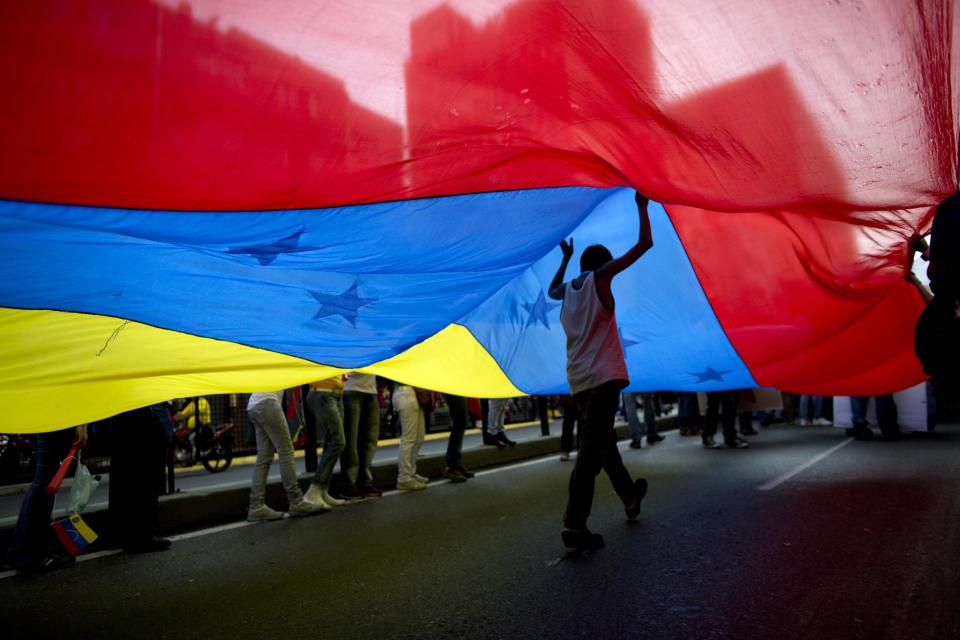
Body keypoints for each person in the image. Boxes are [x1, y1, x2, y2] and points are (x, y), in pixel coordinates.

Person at [547, 190, 653, 551]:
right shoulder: (601, 280)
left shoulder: (569, 290)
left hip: (579, 383)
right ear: (604, 266)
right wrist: (642, 207)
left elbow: (550, 291)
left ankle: (629, 496)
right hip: (604, 380)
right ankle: (574, 525)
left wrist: (565, 258)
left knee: (605, 449)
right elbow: (645, 244)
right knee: (591, 455)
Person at [5, 425, 86, 572]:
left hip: (37, 416)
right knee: (45, 480)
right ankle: (31, 555)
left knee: (42, 480)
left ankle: (21, 551)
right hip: (55, 419)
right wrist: (82, 424)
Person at [246, 390, 326, 521]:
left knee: (264, 458)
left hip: (255, 404)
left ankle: (256, 506)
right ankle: (296, 501)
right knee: (286, 451)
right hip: (268, 402)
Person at [304, 376, 348, 508]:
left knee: (331, 442)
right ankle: (313, 491)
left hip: (336, 393)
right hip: (323, 392)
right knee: (338, 442)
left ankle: (323, 491)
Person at [339, 372, 382, 498]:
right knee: (351, 440)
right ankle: (348, 484)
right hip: (350, 387)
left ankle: (365, 481)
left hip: (371, 389)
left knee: (370, 440)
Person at [391, 382, 429, 490]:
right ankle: (404, 478)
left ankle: (411, 473)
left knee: (418, 437)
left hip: (412, 393)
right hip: (405, 392)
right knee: (409, 438)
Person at [442, 393, 475, 482]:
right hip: (454, 389)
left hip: (457, 389)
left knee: (461, 423)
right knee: (460, 422)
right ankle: (452, 465)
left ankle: (456, 463)